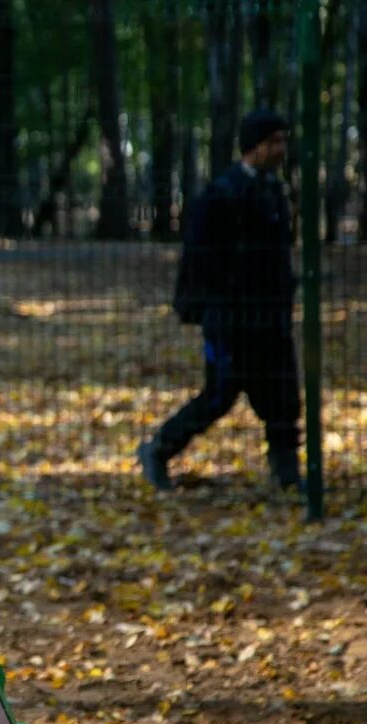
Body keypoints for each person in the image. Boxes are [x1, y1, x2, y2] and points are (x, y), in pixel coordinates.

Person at [137, 109, 302, 492]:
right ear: (253, 147)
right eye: (273, 141)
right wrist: (207, 309)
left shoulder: (275, 191)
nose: (281, 148)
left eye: (283, 140)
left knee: (282, 397)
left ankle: (288, 477)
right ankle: (159, 450)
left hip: (271, 317)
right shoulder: (221, 195)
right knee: (219, 395)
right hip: (230, 319)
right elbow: (198, 258)